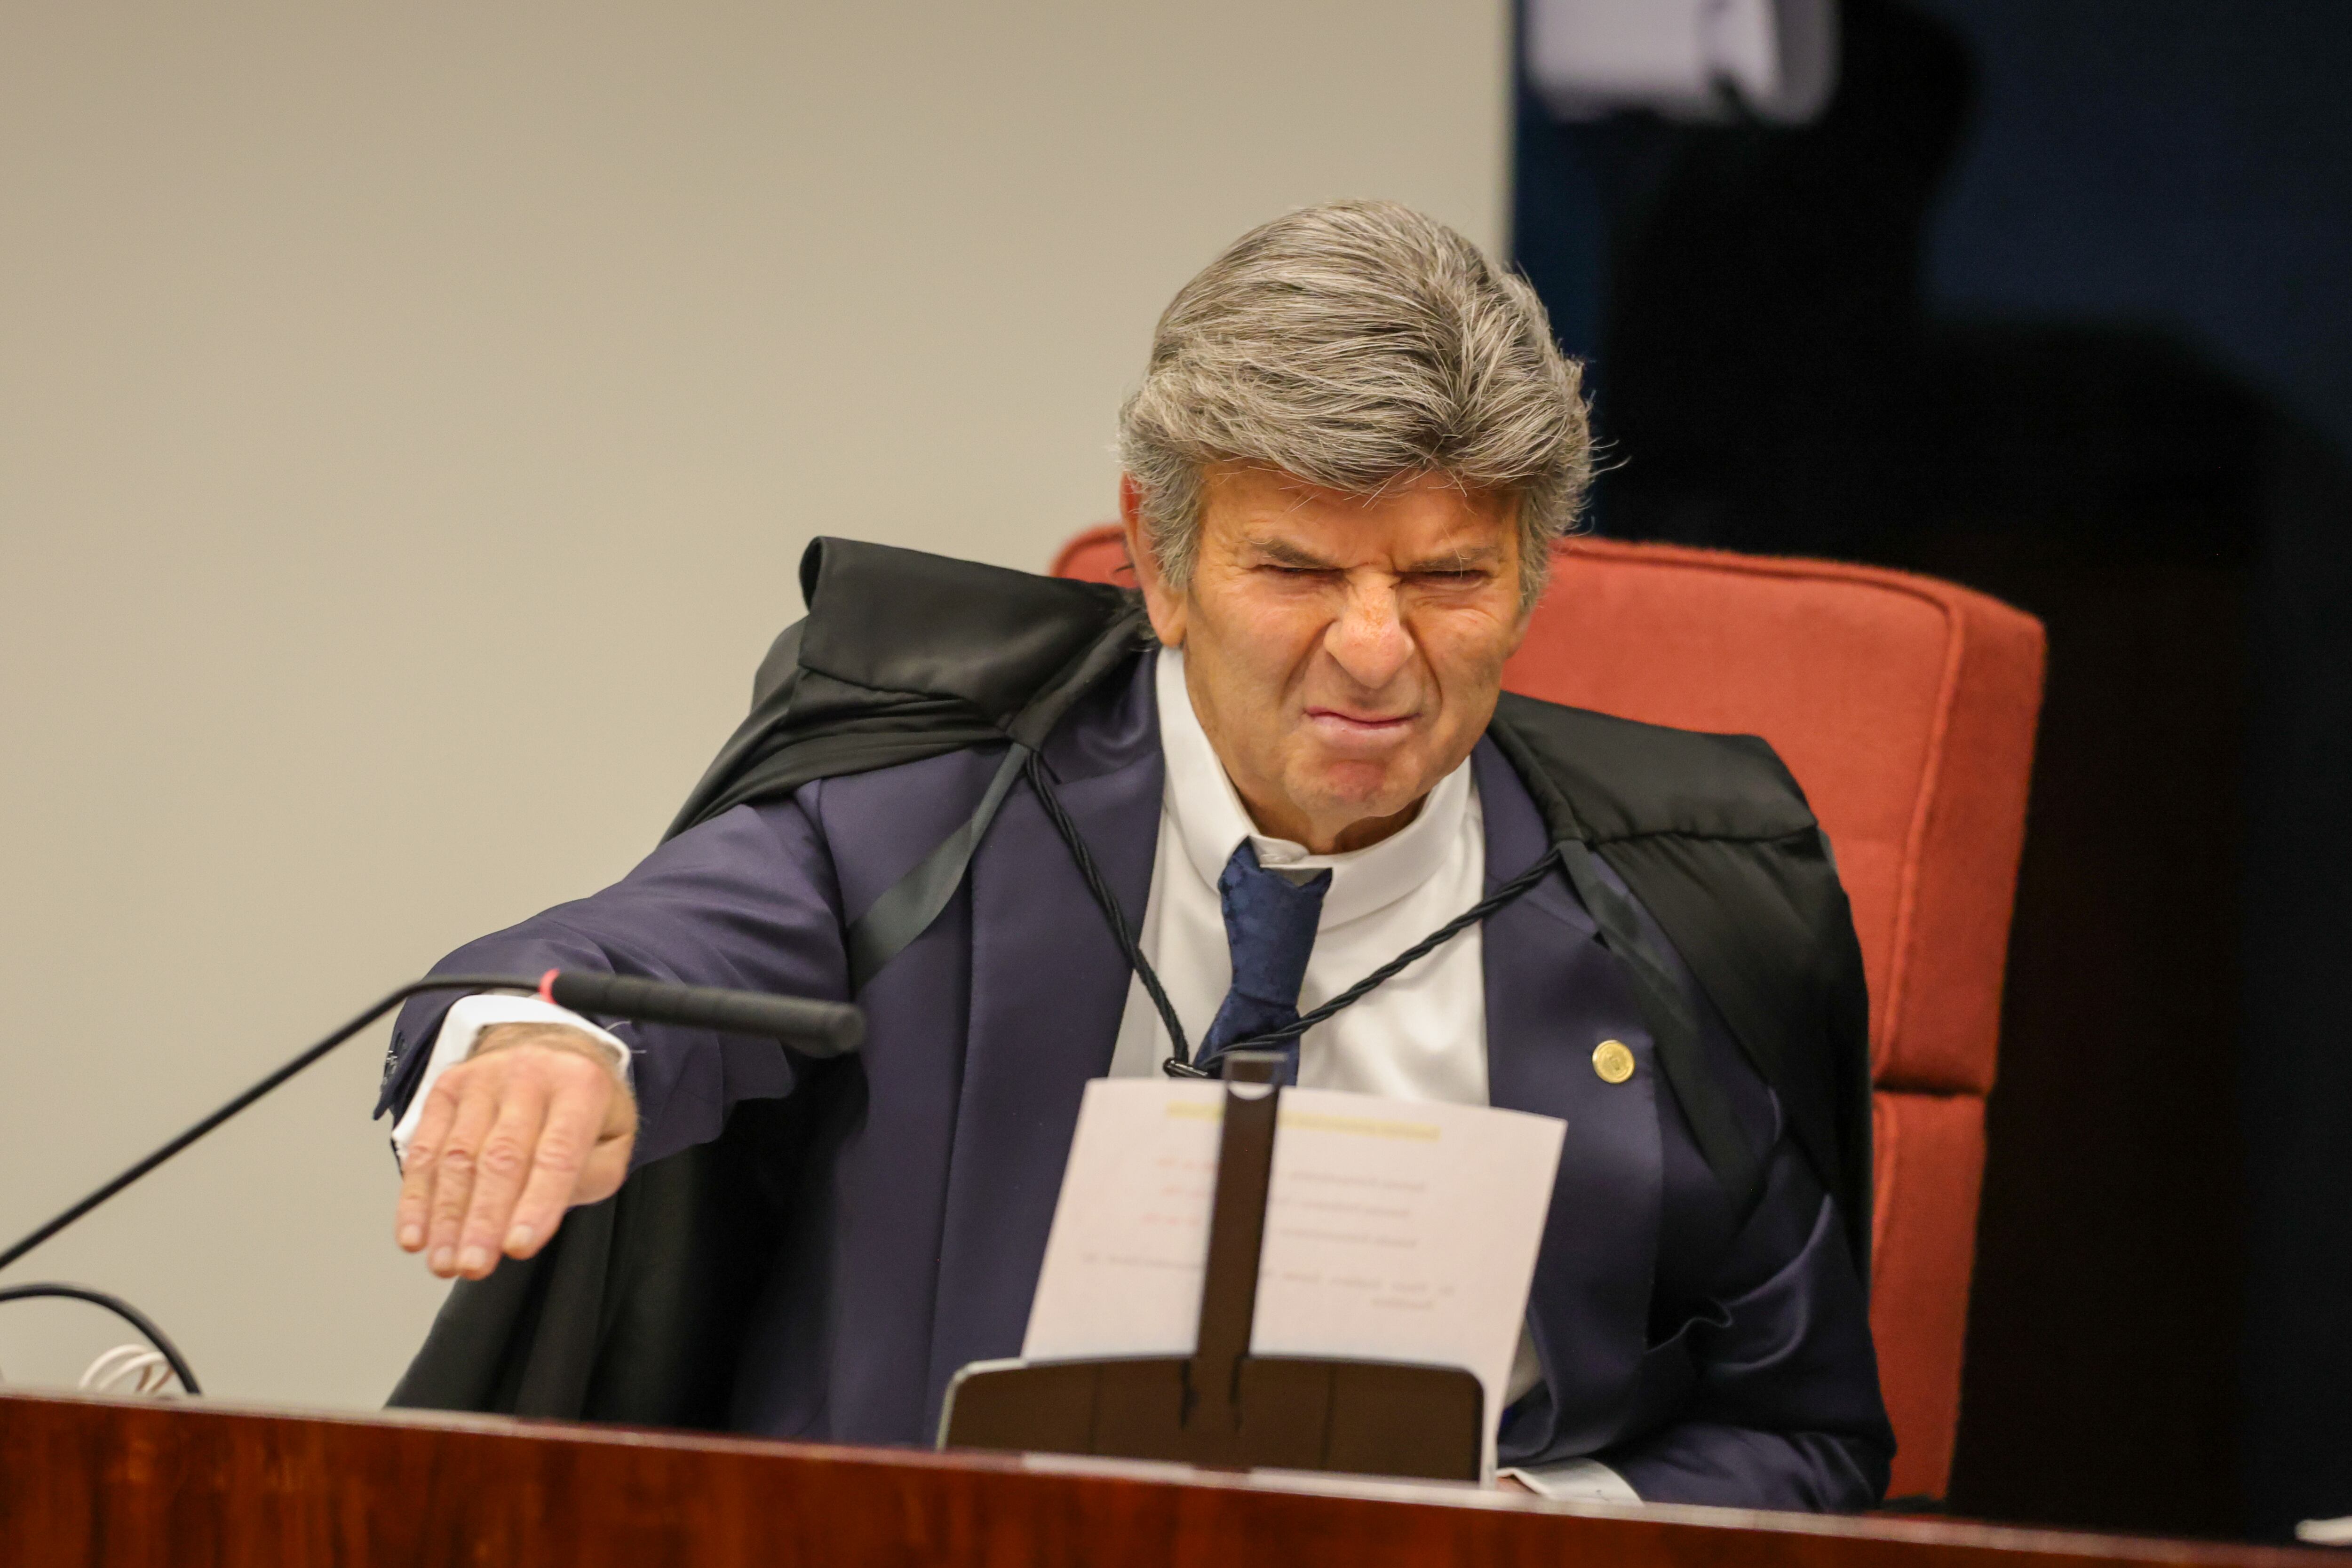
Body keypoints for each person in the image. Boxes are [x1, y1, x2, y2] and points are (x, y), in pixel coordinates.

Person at [377, 200, 1893, 1510]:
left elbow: (1805, 1434)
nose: (1375, 654)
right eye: (1295, 569)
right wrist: (541, 1045)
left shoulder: (1681, 916)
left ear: (1530, 578)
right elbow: (630, 963)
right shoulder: (932, 810)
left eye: (1447, 579)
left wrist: (1514, 1522)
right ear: (1160, 564)